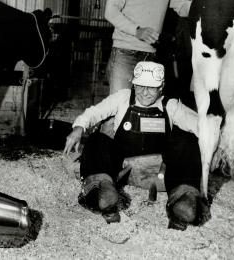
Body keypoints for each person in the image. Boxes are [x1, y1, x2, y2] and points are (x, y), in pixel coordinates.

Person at [64, 61, 210, 230]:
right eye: (140, 86)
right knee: (97, 139)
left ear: (161, 86)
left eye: (151, 88)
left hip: (159, 165)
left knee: (188, 140)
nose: (144, 93)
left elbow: (202, 126)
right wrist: (79, 127)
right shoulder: (124, 97)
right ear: (133, 83)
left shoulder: (170, 105)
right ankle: (101, 191)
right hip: (122, 160)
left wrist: (212, 146)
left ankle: (183, 200)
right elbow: (95, 112)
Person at [105, 0, 192, 94]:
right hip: (124, 53)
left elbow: (184, 8)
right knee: (120, 104)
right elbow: (110, 11)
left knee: (145, 107)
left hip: (151, 56)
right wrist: (136, 30)